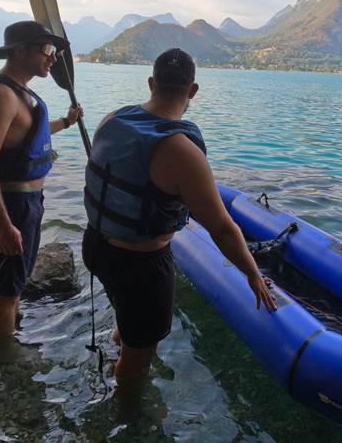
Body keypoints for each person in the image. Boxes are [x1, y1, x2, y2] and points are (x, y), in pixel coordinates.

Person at [82, 47, 276, 386]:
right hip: (140, 267)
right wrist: (253, 274)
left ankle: (123, 339)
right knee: (139, 360)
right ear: (193, 91)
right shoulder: (181, 151)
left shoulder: (111, 119)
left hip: (96, 246)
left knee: (127, 317)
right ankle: (128, 413)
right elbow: (222, 228)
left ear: (151, 83)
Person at [0, 20, 83, 359]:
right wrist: (3, 225)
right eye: (47, 49)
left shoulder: (20, 93)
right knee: (4, 291)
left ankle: (10, 338)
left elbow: (27, 136)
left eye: (55, 51)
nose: (53, 59)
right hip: (11, 204)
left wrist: (66, 122)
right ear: (20, 51)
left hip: (25, 202)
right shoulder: (0, 94)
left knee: (13, 285)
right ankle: (5, 364)